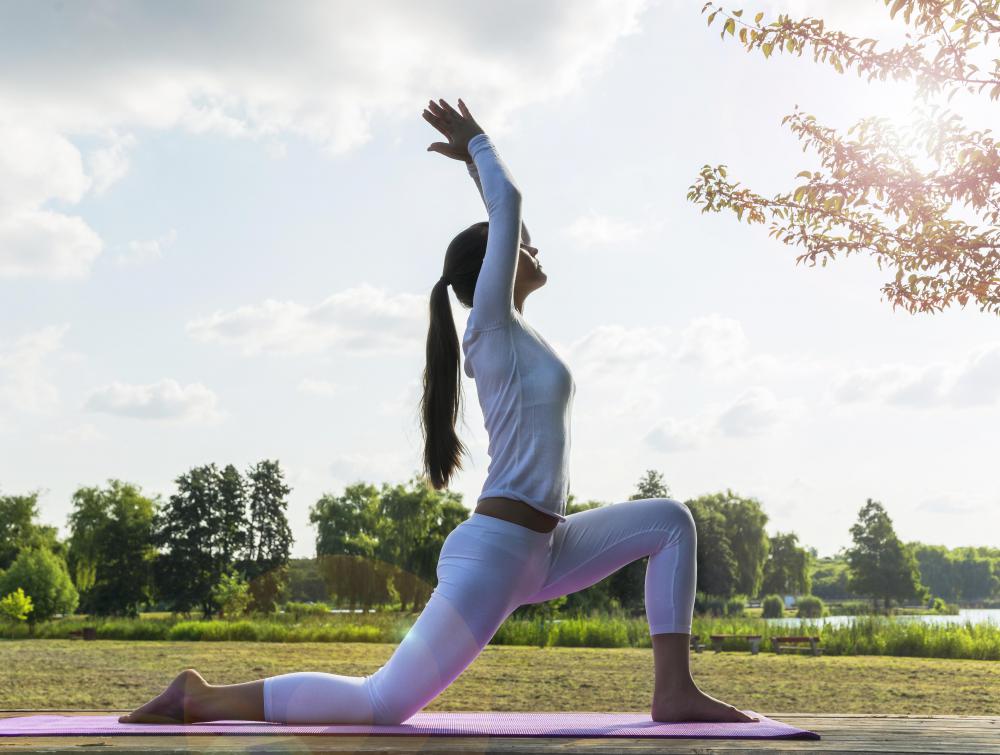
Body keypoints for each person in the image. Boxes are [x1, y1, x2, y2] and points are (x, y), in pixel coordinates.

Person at [118, 98, 757, 727]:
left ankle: (674, 690)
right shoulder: (491, 326)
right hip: (500, 551)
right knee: (381, 704)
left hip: (546, 546)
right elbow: (510, 209)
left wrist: (473, 171)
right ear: (492, 271)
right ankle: (198, 696)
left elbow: (505, 218)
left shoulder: (516, 335)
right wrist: (479, 145)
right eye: (522, 247)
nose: (535, 250)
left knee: (672, 521)